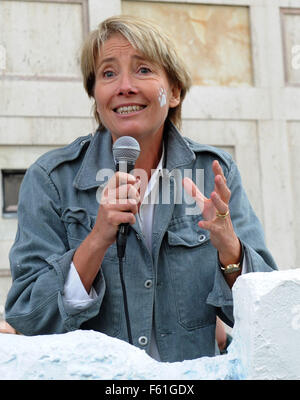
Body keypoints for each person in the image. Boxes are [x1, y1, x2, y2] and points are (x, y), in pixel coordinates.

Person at [5, 15, 277, 363]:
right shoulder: (51, 180)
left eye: (144, 70)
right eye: (108, 73)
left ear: (175, 92)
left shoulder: (214, 174)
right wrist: (96, 240)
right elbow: (28, 318)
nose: (124, 86)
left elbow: (268, 312)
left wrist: (230, 251)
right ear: (96, 96)